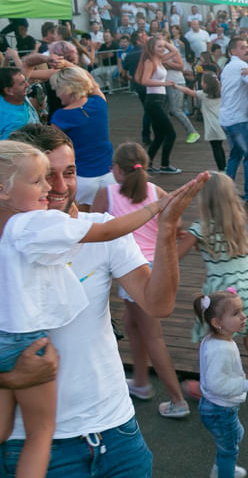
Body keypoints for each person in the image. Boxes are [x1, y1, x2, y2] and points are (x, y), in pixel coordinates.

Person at [0, 133, 206, 477]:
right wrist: (7, 379)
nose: (59, 186)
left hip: (117, 433)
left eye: (69, 172)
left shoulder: (99, 228)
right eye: (44, 176)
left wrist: (166, 228)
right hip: (37, 451)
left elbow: (158, 304)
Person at [91, 142, 189, 419]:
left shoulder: (107, 194)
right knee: (133, 326)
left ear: (117, 171)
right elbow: (177, 224)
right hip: (153, 268)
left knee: (153, 336)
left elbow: (96, 229)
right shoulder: (157, 192)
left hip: (132, 271)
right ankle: (142, 383)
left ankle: (177, 400)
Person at [177, 172, 248, 411]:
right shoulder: (237, 224)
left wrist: (179, 238)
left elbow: (174, 257)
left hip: (225, 289)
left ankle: (209, 388)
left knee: (212, 341)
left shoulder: (200, 227)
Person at [194, 290, 248, 478]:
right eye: (235, 313)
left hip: (214, 406)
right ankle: (222, 471)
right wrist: (247, 385)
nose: (243, 316)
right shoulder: (222, 349)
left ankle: (220, 468)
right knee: (229, 451)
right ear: (217, 323)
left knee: (233, 437)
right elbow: (216, 383)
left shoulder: (213, 340)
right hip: (220, 409)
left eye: (241, 311)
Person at [49, 66, 115, 211]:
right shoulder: (99, 102)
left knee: (82, 220)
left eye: (57, 89)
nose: (57, 94)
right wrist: (68, 63)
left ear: (67, 89)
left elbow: (50, 147)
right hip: (109, 173)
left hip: (83, 177)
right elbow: (92, 82)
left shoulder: (61, 116)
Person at [220, 37, 248, 206]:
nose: (247, 50)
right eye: (242, 47)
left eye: (247, 47)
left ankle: (225, 190)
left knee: (235, 154)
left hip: (226, 118)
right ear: (232, 51)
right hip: (238, 119)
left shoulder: (227, 67)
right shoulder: (241, 67)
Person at [135, 37, 181, 175]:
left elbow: (175, 51)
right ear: (151, 48)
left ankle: (148, 164)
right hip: (153, 101)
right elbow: (144, 80)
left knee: (160, 135)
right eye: (159, 47)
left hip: (159, 100)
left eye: (163, 47)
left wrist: (163, 42)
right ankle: (164, 165)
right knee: (171, 134)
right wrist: (164, 83)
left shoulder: (159, 60)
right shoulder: (150, 61)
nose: (163, 49)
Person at [0, 68, 39, 140]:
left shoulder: (7, 95)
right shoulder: (17, 123)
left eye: (25, 81)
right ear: (8, 91)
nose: (27, 85)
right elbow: (9, 149)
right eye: (22, 83)